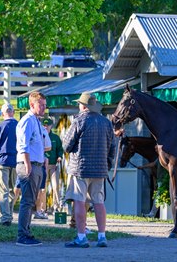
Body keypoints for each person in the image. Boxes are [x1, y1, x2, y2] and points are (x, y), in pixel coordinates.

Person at [63, 92, 115, 248]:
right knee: (99, 202)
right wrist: (107, 164)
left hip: (80, 168)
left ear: (83, 106)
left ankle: (81, 237)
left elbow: (67, 146)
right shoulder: (106, 123)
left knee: (79, 201)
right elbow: (112, 147)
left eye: (79, 103)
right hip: (100, 169)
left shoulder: (79, 121)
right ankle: (102, 236)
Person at [15, 91, 47, 246]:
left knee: (30, 201)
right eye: (41, 105)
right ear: (32, 104)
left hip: (36, 165)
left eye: (44, 105)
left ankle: (26, 232)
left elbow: (41, 145)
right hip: (29, 165)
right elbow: (23, 145)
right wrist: (27, 164)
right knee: (27, 202)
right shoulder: (27, 121)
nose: (43, 108)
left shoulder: (36, 121)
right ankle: (22, 235)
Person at [42, 117, 64, 213]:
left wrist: (59, 156)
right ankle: (42, 208)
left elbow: (60, 149)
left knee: (55, 187)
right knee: (42, 188)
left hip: (53, 166)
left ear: (51, 126)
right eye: (44, 125)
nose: (46, 127)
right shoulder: (39, 136)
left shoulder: (55, 138)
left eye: (48, 125)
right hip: (43, 166)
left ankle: (57, 207)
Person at [33, 124, 51, 220]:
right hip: (31, 162)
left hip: (40, 163)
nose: (46, 127)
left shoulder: (44, 133)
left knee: (41, 190)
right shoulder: (31, 128)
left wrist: (39, 149)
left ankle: (39, 210)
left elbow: (49, 147)